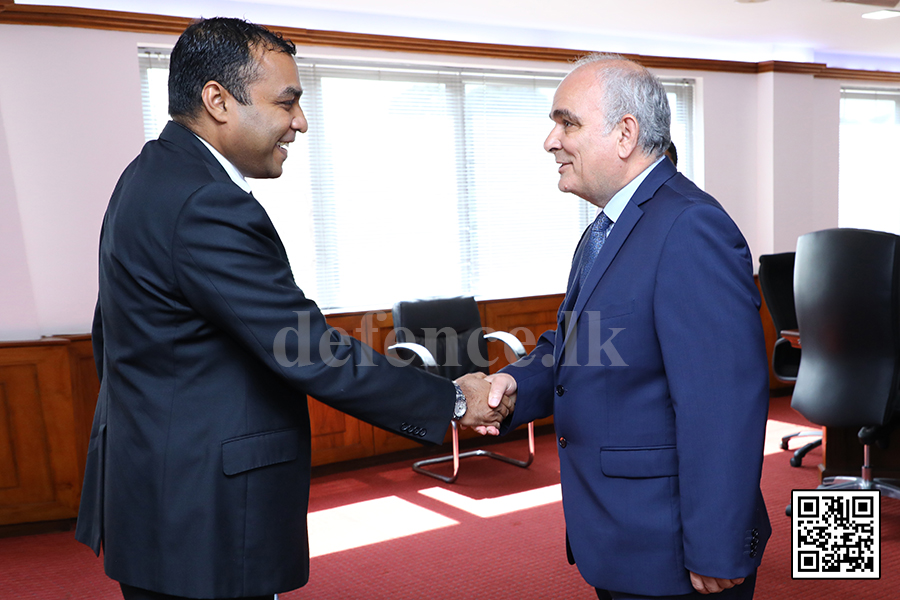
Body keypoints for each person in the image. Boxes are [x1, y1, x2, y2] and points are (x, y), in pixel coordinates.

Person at [75, 17, 508, 600]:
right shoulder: (206, 202)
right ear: (218, 101)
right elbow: (309, 352)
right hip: (201, 513)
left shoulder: (148, 176)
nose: (300, 123)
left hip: (159, 492)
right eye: (288, 103)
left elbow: (113, 338)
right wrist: (455, 398)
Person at [482, 54, 771, 599]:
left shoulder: (690, 226)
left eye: (567, 122)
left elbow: (723, 405)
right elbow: (587, 345)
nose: (550, 140)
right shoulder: (607, 228)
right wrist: (518, 381)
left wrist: (716, 544)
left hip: (675, 548)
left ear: (625, 133)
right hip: (622, 537)